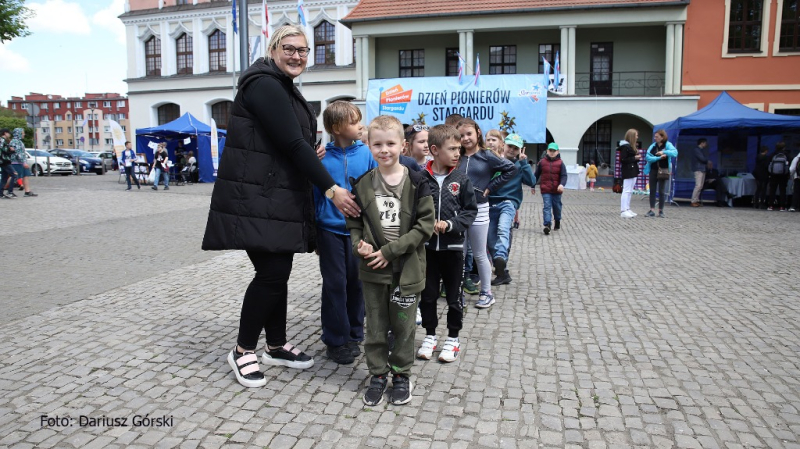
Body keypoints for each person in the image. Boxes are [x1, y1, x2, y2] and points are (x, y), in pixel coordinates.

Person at [202, 25, 360, 389]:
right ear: (274, 49)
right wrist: (331, 188)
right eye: (289, 49)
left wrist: (309, 149)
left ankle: (275, 344)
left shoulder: (283, 87)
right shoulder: (265, 84)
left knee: (278, 272)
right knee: (271, 274)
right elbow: (291, 144)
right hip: (259, 197)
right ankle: (243, 350)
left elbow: (288, 141)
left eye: (304, 51)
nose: (297, 56)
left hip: (274, 195)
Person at [345, 115, 435, 406]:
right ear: (369, 145)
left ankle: (401, 375)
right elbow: (354, 221)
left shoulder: (419, 182)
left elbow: (424, 227)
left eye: (391, 144)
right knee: (375, 326)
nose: (384, 150)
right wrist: (358, 243)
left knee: (404, 326)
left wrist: (388, 252)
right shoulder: (362, 184)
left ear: (403, 146)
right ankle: (378, 374)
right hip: (372, 270)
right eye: (378, 144)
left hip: (406, 270)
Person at [313, 101, 376, 365]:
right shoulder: (321, 157)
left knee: (357, 283)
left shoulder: (367, 154)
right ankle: (335, 340)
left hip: (359, 231)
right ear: (336, 128)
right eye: (354, 122)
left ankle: (354, 332)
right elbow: (314, 193)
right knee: (335, 284)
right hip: (329, 230)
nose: (360, 126)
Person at [417, 124, 476, 363]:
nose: (457, 153)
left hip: (453, 249)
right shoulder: (421, 178)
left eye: (459, 148)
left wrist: (450, 225)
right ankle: (430, 335)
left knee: (454, 295)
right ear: (434, 150)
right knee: (428, 295)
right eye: (452, 148)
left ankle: (453, 338)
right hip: (427, 250)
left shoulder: (461, 179)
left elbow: (469, 212)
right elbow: (413, 210)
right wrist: (425, 224)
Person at [456, 118, 516, 309]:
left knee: (480, 254)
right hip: (458, 210)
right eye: (461, 135)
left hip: (480, 208)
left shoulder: (487, 155)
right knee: (460, 253)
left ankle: (486, 293)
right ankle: (457, 293)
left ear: (477, 133)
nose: (465, 138)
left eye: (469, 134)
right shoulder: (457, 156)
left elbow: (510, 169)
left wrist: (491, 187)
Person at [488, 134, 535, 286]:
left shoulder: (521, 165)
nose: (512, 150)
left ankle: (501, 257)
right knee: (490, 240)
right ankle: (503, 272)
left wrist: (524, 163)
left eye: (516, 148)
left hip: (508, 203)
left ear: (520, 150)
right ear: (504, 145)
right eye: (510, 146)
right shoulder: (496, 161)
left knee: (503, 230)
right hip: (491, 204)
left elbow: (532, 182)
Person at [533, 142, 567, 234]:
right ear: (547, 151)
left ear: (557, 152)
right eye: (550, 150)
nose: (552, 152)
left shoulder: (560, 163)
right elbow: (536, 175)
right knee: (547, 206)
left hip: (557, 190)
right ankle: (547, 224)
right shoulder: (542, 162)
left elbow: (564, 176)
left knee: (557, 207)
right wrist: (533, 185)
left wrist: (562, 184)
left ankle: (557, 220)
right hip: (545, 189)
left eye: (554, 151)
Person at [644, 129, 678, 218]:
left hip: (663, 170)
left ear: (662, 137)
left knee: (662, 191)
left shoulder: (667, 145)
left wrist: (664, 152)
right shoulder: (653, 146)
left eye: (657, 137)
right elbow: (648, 157)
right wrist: (659, 158)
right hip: (653, 170)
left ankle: (661, 211)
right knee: (652, 191)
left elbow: (675, 152)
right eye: (655, 137)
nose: (655, 138)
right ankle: (651, 210)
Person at [617, 130, 641, 218]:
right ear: (632, 136)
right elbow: (623, 160)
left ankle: (627, 208)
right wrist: (634, 157)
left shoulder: (631, 147)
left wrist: (636, 158)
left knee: (630, 191)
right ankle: (623, 210)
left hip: (633, 170)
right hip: (628, 170)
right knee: (626, 190)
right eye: (636, 135)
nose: (637, 137)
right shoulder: (625, 147)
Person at [7, 128, 36, 197]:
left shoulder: (19, 141)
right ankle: (6, 190)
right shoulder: (15, 142)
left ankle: (27, 191)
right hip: (17, 162)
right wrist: (23, 162)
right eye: (22, 133)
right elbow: (18, 153)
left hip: (22, 162)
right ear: (18, 133)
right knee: (14, 176)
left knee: (26, 175)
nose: (24, 134)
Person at [767, 141, 790, 211]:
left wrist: (769, 174)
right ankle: (782, 206)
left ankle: (771, 206)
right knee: (782, 190)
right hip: (783, 176)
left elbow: (768, 165)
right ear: (784, 147)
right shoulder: (787, 155)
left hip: (773, 175)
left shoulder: (772, 155)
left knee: (772, 190)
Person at [691, 138, 711, 207]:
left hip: (702, 169)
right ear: (702, 143)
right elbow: (702, 159)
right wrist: (707, 161)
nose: (706, 144)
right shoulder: (697, 150)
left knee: (700, 186)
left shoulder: (700, 150)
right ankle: (693, 200)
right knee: (698, 185)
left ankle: (696, 200)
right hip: (698, 169)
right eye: (705, 143)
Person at [0, 129, 17, 199]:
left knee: (4, 177)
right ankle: (10, 191)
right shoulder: (2, 140)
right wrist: (11, 149)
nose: (9, 135)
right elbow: (2, 149)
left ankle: (1, 193)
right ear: (5, 133)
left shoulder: (3, 140)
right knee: (14, 174)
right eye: (8, 133)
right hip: (4, 161)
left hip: (3, 161)